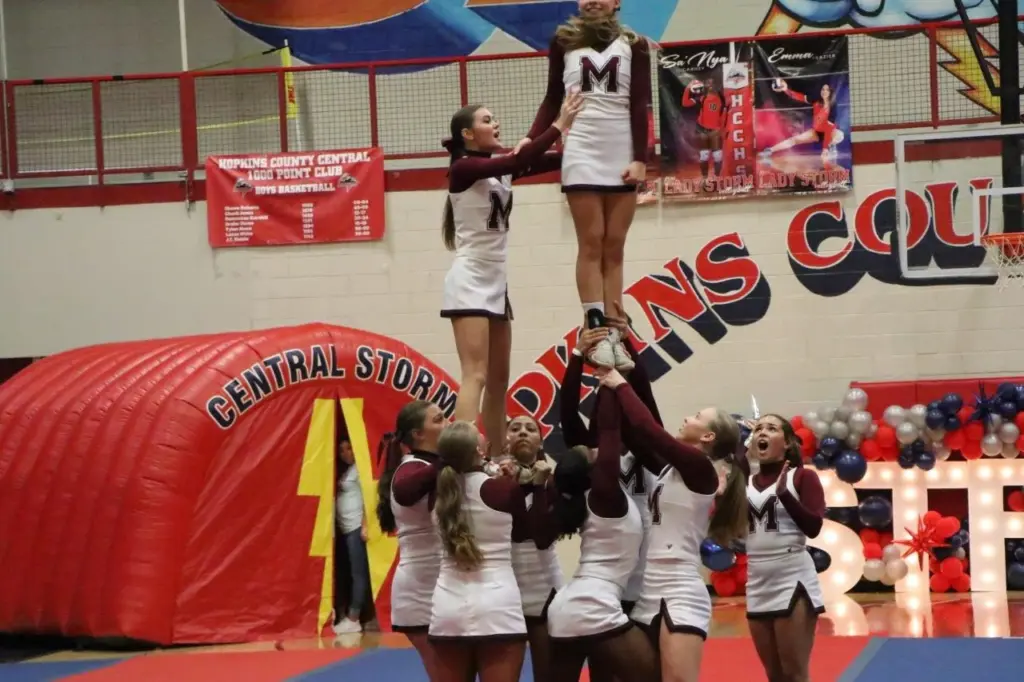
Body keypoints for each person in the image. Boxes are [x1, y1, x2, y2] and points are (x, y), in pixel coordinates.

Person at [441, 93, 584, 457]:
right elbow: (522, 157)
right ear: (467, 134)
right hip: (470, 279)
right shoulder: (463, 168)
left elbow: (542, 158)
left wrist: (589, 149)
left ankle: (497, 455)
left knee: (499, 381)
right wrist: (559, 124)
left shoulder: (499, 168)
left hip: (497, 283)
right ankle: (462, 457)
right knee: (475, 374)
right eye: (487, 120)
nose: (496, 123)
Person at [516, 0, 652, 370]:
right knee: (591, 241)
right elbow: (552, 98)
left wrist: (641, 158)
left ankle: (615, 333)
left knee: (615, 245)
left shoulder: (635, 44)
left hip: (621, 149)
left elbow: (640, 103)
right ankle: (595, 330)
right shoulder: (563, 40)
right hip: (581, 149)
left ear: (616, 2)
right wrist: (532, 137)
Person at [598, 370, 748, 682]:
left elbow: (649, 428)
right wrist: (630, 366)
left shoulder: (700, 469)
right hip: (649, 590)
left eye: (697, 417)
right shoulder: (669, 469)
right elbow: (640, 431)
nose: (687, 418)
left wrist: (620, 383)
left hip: (680, 591)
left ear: (708, 437)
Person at [543, 379, 658, 682]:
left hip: (569, 604)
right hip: (593, 602)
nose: (595, 448)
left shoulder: (587, 498)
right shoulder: (605, 494)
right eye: (590, 451)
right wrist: (609, 383)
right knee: (651, 677)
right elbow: (608, 430)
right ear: (591, 469)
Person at [428, 421, 552, 682]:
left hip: (448, 606)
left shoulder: (436, 491)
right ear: (479, 449)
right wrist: (533, 487)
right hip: (498, 605)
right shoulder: (503, 489)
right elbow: (527, 533)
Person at [557, 310, 659, 628]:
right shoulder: (591, 448)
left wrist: (627, 342)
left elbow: (644, 394)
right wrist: (577, 355)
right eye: (605, 400)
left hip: (649, 570)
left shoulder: (650, 445)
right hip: (609, 570)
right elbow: (567, 411)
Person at [745, 414, 826, 682]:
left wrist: (784, 495)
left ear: (788, 443)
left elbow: (813, 527)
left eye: (771, 428)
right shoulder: (744, 482)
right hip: (757, 581)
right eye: (758, 429)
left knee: (794, 673)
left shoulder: (803, 477)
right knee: (774, 674)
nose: (762, 432)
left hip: (792, 578)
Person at [375, 400, 446, 679]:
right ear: (418, 434)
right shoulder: (410, 468)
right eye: (439, 420)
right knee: (445, 674)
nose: (447, 424)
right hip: (421, 590)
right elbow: (405, 492)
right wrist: (450, 458)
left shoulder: (431, 466)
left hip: (441, 583)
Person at [505, 415, 563, 682]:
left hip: (545, 585)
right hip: (505, 587)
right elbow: (515, 531)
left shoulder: (553, 483)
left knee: (548, 671)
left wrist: (538, 486)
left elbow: (542, 537)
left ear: (540, 441)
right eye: (515, 428)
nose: (522, 432)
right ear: (505, 439)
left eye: (530, 429)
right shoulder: (493, 480)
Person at [760, 79, 843, 168]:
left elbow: (828, 128)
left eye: (827, 90)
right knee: (794, 140)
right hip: (817, 132)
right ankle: (769, 151)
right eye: (823, 89)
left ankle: (831, 147)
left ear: (831, 92)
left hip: (830, 132)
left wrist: (825, 149)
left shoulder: (833, 107)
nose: (824, 91)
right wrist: (786, 90)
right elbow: (799, 97)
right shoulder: (816, 100)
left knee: (839, 135)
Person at [334, 438, 371, 635]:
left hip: (356, 527)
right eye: (341, 450)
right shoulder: (347, 471)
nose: (345, 453)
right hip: (345, 528)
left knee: (358, 573)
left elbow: (369, 496)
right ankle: (348, 614)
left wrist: (365, 524)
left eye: (349, 448)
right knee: (349, 573)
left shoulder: (360, 468)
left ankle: (354, 618)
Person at [681, 77, 727, 186]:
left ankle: (717, 178)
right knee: (704, 155)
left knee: (718, 156)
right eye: (708, 83)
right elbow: (685, 103)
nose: (710, 86)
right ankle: (705, 178)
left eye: (712, 84)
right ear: (704, 86)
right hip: (703, 131)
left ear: (716, 86)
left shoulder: (722, 98)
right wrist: (688, 88)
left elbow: (724, 115)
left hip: (715, 131)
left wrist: (722, 130)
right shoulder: (701, 99)